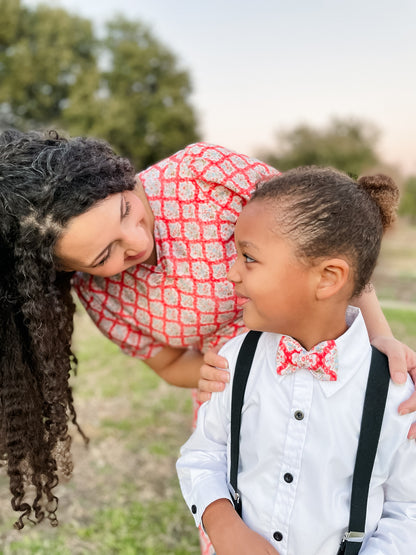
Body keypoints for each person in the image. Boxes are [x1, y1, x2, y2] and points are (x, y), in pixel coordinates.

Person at [0, 130, 415, 534]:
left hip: (330, 362)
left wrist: (381, 343)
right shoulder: (101, 295)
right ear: (71, 270)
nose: (136, 240)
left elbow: (330, 236)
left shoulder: (202, 173)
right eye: (105, 253)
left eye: (126, 210)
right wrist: (220, 375)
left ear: (111, 178)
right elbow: (168, 363)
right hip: (239, 396)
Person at [176, 167, 416, 555]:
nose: (231, 273)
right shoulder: (236, 358)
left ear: (327, 278)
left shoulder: (395, 391)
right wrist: (223, 525)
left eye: (248, 258)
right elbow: (204, 453)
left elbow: (408, 507)